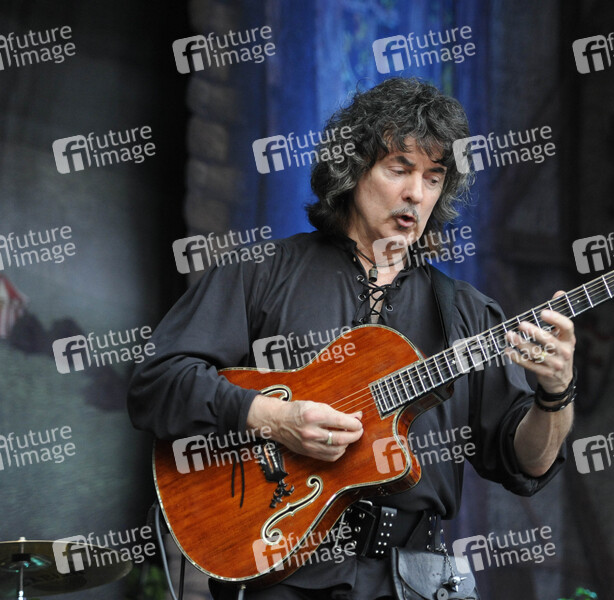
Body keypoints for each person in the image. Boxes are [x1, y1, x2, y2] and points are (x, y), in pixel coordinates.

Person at [128, 77, 576, 600]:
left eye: (433, 178)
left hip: (416, 582)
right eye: (400, 169)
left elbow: (528, 463)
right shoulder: (264, 272)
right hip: (284, 570)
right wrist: (272, 417)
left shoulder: (465, 313)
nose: (416, 193)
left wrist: (555, 394)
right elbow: (156, 383)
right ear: (353, 166)